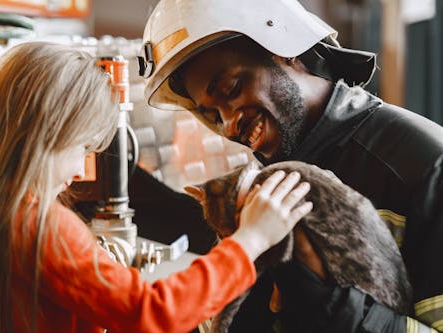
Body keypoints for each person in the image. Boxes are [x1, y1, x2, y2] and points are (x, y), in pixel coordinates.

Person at [0, 41, 313, 333]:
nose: (77, 171)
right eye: (83, 148)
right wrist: (251, 240)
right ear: (49, 132)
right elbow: (151, 313)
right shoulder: (39, 224)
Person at [138, 0, 443, 332]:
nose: (227, 125)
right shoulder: (276, 172)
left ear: (284, 49)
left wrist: (321, 297)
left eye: (231, 89)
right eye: (211, 115)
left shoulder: (425, 165)